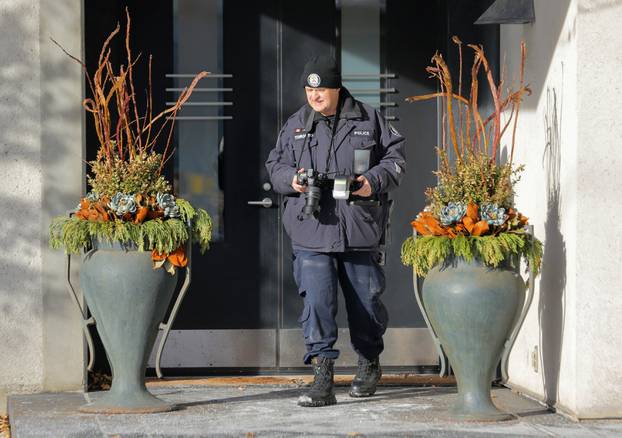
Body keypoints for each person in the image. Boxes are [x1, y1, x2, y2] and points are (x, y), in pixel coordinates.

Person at [265, 55, 406, 407]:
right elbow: (275, 164)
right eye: (309, 89)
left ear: (337, 88)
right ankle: (322, 376)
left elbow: (395, 160)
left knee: (366, 305)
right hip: (311, 230)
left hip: (358, 228)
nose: (314, 96)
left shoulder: (369, 119)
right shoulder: (296, 123)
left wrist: (370, 182)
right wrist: (293, 181)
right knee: (316, 304)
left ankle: (369, 362)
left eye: (321, 89)